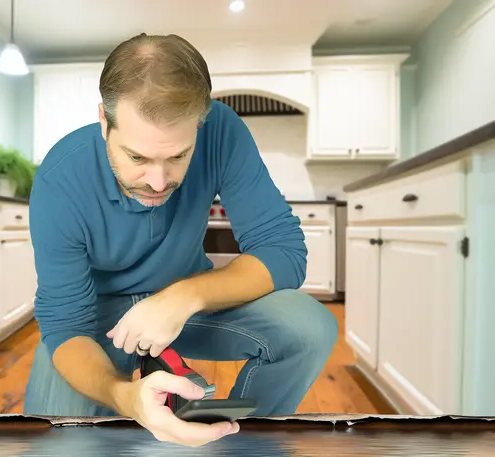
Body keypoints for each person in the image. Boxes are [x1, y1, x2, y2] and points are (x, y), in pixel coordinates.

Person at [24, 33, 338, 447]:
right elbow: (67, 327)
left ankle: (235, 446)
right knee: (57, 442)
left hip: (189, 301)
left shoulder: (222, 130)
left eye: (177, 156)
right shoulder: (59, 178)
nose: (157, 182)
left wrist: (182, 297)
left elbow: (283, 251)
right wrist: (126, 398)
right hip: (95, 322)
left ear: (200, 123)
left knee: (310, 328)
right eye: (137, 157)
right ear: (104, 120)